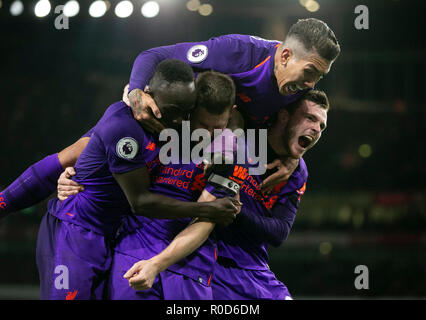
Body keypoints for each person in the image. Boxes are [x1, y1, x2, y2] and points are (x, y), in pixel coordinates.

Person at [34, 59, 239, 300]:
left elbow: (205, 220)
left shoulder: (225, 155)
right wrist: (76, 175)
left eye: (219, 127)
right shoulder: (148, 127)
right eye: (203, 124)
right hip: (128, 255)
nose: (209, 133)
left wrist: (158, 263)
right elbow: (105, 156)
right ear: (190, 111)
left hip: (187, 269)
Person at [121, 90, 329, 300]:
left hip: (254, 266)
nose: (316, 129)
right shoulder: (238, 137)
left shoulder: (297, 173)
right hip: (213, 261)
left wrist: (236, 210)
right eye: (310, 118)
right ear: (284, 116)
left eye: (321, 126)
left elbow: (279, 233)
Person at [126, 18, 340, 191]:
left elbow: (302, 128)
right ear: (285, 56)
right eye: (310, 72)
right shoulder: (239, 52)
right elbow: (154, 55)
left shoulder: (301, 91)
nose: (311, 83)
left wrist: (293, 159)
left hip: (214, 145)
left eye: (320, 76)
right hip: (176, 123)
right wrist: (136, 92)